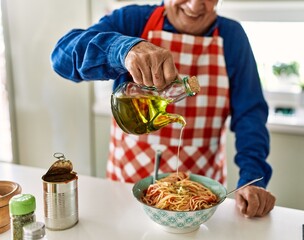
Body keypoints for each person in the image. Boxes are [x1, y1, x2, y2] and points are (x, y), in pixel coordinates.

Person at [51, 0, 276, 218]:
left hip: (199, 200)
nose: (195, 5)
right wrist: (122, 50)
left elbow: (250, 116)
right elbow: (61, 57)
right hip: (125, 188)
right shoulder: (134, 20)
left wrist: (252, 179)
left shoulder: (232, 37)